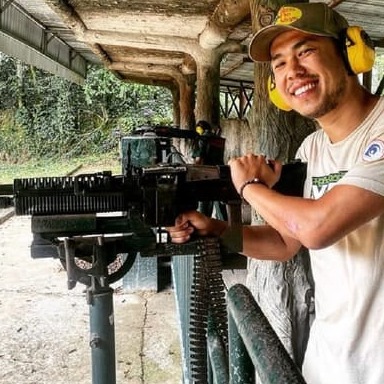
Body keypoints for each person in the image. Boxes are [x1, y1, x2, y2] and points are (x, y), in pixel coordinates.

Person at [167, 3, 384, 384]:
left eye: (306, 51)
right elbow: (287, 242)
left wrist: (249, 187)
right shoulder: (312, 149)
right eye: (280, 64)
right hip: (329, 362)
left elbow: (318, 228)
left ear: (351, 52)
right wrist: (217, 230)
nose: (293, 72)